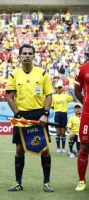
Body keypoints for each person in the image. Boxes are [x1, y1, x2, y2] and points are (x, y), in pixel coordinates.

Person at [5, 44, 55, 192]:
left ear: (34, 56)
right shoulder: (14, 74)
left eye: (29, 53)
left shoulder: (42, 73)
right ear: (19, 56)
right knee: (19, 149)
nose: (27, 56)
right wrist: (18, 114)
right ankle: (18, 183)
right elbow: (9, 97)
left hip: (39, 115)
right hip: (22, 115)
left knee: (44, 150)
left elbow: (49, 95)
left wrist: (45, 114)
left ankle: (46, 183)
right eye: (24, 54)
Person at [74, 57, 89, 191]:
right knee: (84, 147)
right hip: (87, 114)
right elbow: (77, 90)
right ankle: (81, 180)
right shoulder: (83, 68)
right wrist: (85, 103)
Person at [51, 83, 74, 153]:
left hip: (64, 114)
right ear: (56, 89)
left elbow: (72, 99)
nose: (60, 89)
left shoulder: (66, 96)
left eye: (60, 88)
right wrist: (57, 108)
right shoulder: (53, 96)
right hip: (57, 114)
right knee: (58, 132)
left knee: (63, 132)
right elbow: (52, 106)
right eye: (58, 88)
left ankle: (63, 148)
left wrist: (71, 92)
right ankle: (58, 148)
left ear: (62, 88)